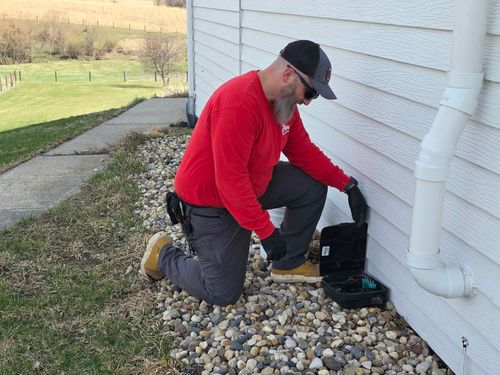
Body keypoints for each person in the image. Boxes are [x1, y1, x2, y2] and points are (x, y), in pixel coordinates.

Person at [141, 40, 367, 306]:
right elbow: (230, 183)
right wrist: (266, 231)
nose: (307, 102)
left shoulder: (284, 105)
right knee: (223, 293)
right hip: (210, 203)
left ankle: (288, 264)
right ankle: (163, 254)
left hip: (249, 186)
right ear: (288, 75)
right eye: (310, 93)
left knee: (311, 184)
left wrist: (347, 185)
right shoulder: (238, 104)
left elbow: (304, 151)